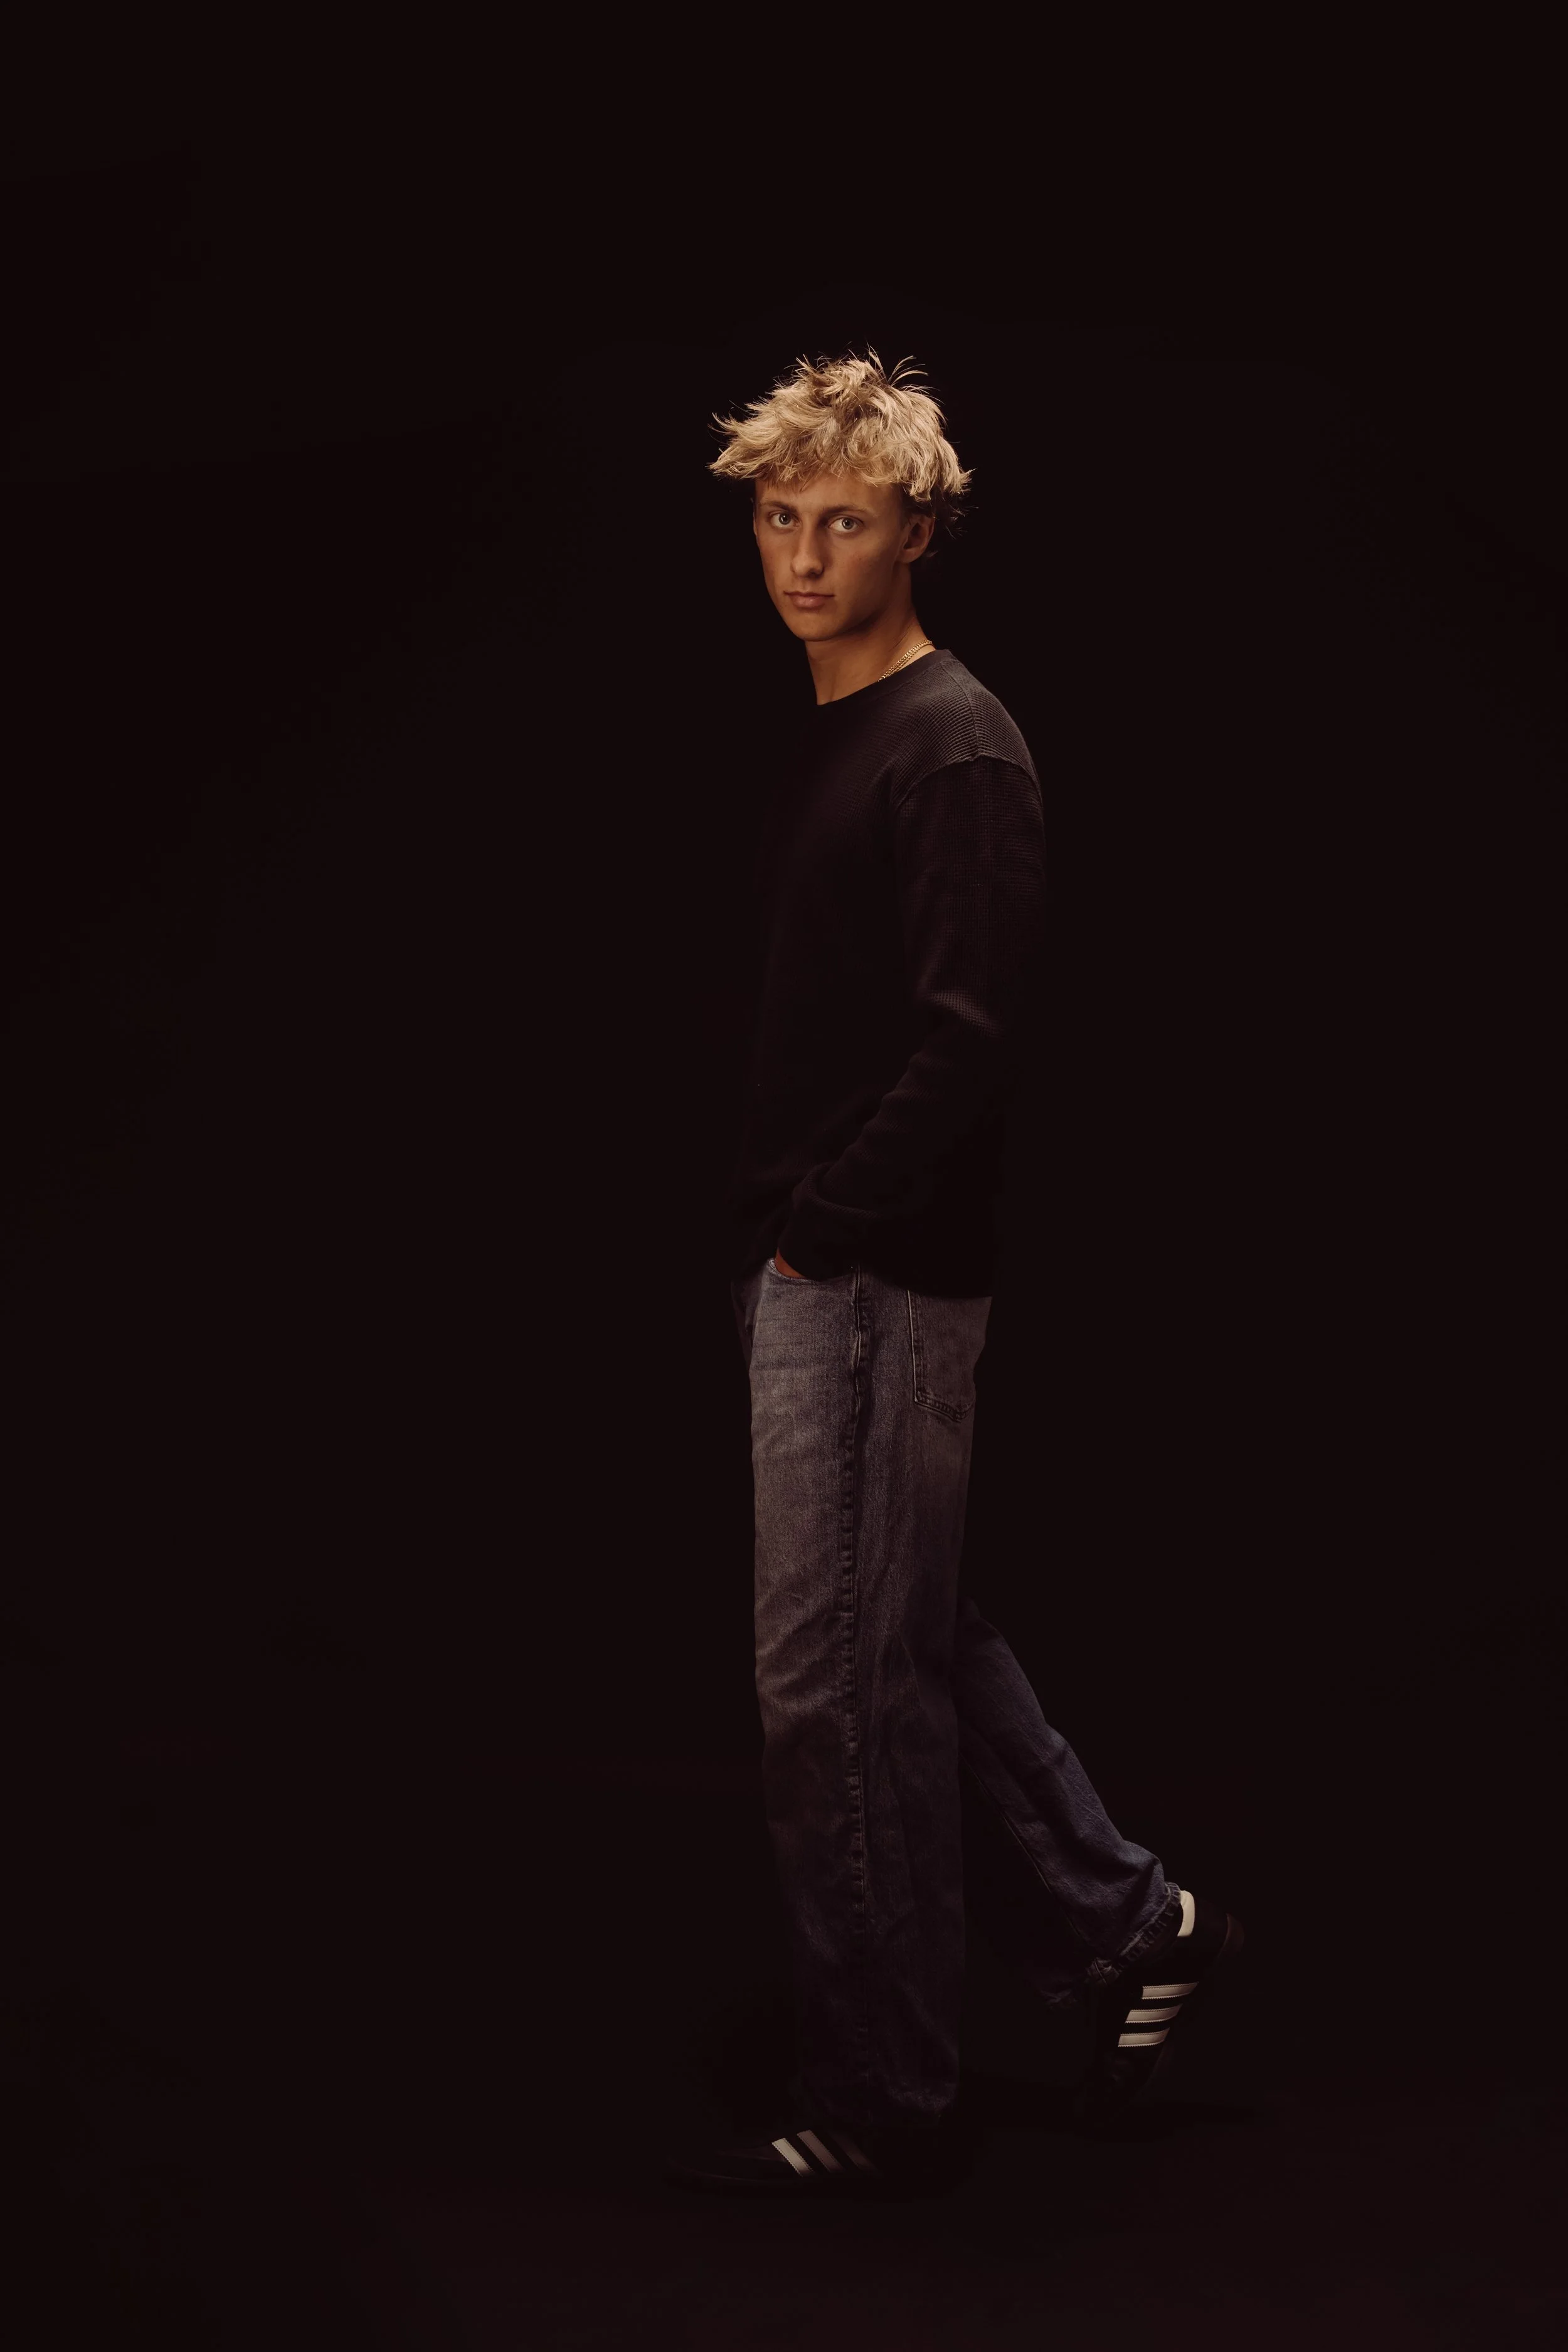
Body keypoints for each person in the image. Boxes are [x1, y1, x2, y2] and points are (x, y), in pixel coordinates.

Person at [668, 352, 1242, 2198]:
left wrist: (822, 1228)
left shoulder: (957, 741)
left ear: (920, 526)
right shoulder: (833, 729)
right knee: (896, 1641)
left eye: (844, 520)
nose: (805, 553)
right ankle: (1132, 1920)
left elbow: (966, 1032)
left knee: (827, 1689)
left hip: (876, 1278)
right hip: (811, 1266)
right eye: (780, 517)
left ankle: (888, 2084)